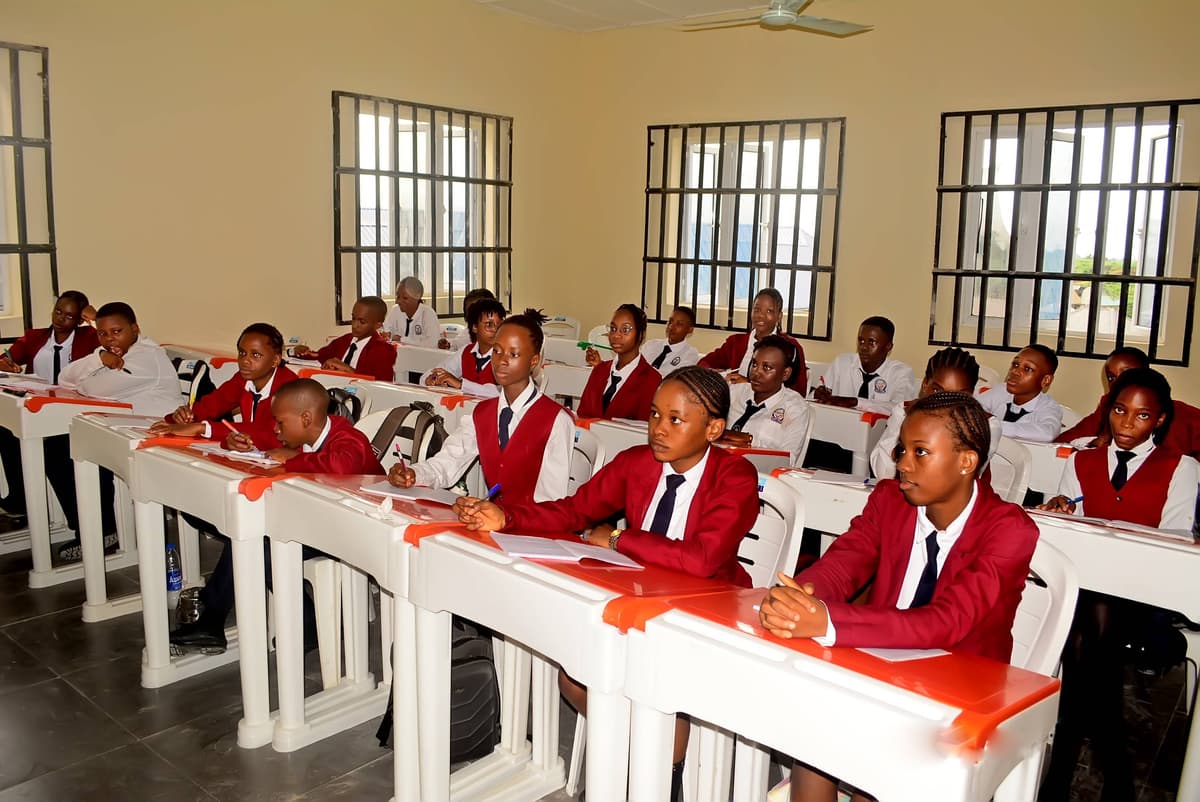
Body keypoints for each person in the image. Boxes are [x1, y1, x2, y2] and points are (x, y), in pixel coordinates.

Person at [456, 365, 760, 801]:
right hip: (637, 598)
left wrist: (621, 538)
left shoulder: (735, 477)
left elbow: (702, 560)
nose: (659, 429)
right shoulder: (637, 463)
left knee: (657, 689)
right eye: (655, 415)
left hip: (706, 608)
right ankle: (636, 758)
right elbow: (575, 510)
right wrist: (510, 516)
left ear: (713, 428)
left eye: (676, 420)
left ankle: (658, 777)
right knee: (575, 677)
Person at [759, 392, 1038, 802]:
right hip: (884, 666)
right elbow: (845, 562)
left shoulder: (1010, 529)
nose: (903, 463)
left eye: (920, 452)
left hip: (961, 691)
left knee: (876, 767)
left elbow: (946, 621)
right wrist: (801, 596)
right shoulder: (891, 500)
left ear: (967, 461)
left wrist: (828, 621)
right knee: (812, 729)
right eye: (902, 450)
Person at [1037, 367, 1198, 801]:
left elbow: (1178, 536)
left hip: (1147, 595)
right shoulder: (1082, 459)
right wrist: (1062, 511)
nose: (1127, 424)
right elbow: (1072, 522)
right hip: (1090, 589)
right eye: (1120, 411)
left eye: (1142, 416)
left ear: (1160, 419)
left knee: (1087, 634)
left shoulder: (1181, 468)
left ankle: (1065, 759)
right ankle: (1116, 772)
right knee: (1090, 626)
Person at [171, 379, 384, 652]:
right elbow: (259, 434)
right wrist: (232, 440)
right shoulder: (301, 432)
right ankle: (300, 625)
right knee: (248, 532)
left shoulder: (347, 436)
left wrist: (291, 461)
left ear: (306, 418)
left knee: (260, 546)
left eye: (280, 423)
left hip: (355, 529)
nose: (275, 428)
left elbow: (341, 465)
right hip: (321, 521)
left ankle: (300, 625)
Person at [389, 309, 573, 506]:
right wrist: (413, 474)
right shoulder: (483, 413)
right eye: (497, 350)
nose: (502, 360)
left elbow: (553, 501)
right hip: (491, 521)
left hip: (533, 528)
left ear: (533, 361)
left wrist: (505, 518)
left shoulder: (555, 420)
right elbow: (449, 462)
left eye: (514, 354)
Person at [54, 302, 181, 561]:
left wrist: (95, 371)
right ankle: (95, 529)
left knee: (68, 451)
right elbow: (64, 377)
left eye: (117, 331)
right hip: (124, 428)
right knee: (59, 448)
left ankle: (103, 530)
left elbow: (93, 389)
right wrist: (99, 357)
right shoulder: (111, 352)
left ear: (135, 329)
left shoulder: (147, 357)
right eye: (103, 334)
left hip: (152, 435)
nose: (110, 338)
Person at [0, 290, 100, 529]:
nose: (60, 319)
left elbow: (116, 341)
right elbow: (7, 357)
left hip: (73, 408)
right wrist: (6, 362)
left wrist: (95, 318)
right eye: (57, 311)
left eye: (68, 316)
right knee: (5, 432)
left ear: (79, 320)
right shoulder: (36, 337)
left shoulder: (89, 337)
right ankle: (20, 499)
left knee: (51, 449)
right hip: (38, 405)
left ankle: (80, 524)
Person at [149, 323, 298, 448]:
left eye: (256, 355)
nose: (245, 361)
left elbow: (272, 434)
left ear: (275, 360)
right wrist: (181, 417)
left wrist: (203, 428)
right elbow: (212, 404)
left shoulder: (290, 388)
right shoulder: (242, 378)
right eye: (242, 353)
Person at [870, 347, 1001, 479]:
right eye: (938, 391)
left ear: (972, 395)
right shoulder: (905, 410)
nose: (945, 403)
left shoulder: (986, 424)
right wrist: (909, 421)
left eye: (959, 395)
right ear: (925, 384)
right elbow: (884, 473)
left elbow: (960, 479)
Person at [1056, 345, 1200, 457]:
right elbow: (1062, 443)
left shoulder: (1183, 416)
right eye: (1111, 378)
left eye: (1127, 375)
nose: (1119, 383)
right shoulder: (1108, 407)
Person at [718, 335, 811, 466]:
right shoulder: (734, 392)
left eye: (767, 368)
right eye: (754, 364)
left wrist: (749, 442)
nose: (756, 372)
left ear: (785, 374)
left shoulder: (794, 407)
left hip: (758, 475)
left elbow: (787, 460)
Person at [699, 288, 808, 392]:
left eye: (769, 311)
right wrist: (713, 373)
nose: (761, 315)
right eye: (757, 309)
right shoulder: (736, 342)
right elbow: (704, 363)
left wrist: (748, 384)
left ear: (779, 316)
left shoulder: (790, 347)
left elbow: (798, 391)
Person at [577, 303, 661, 421]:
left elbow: (644, 429)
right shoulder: (600, 371)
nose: (616, 335)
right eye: (613, 329)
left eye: (625, 329)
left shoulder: (651, 379)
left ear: (641, 335)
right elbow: (582, 414)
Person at [812, 316, 916, 407]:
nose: (864, 347)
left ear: (888, 347)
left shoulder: (901, 373)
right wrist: (817, 395)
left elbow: (899, 409)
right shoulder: (842, 363)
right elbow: (813, 402)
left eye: (872, 343)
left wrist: (856, 402)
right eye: (861, 341)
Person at [293, 296, 394, 382]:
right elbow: (320, 356)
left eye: (362, 322)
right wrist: (297, 351)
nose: (355, 325)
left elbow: (381, 384)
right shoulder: (345, 340)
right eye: (353, 318)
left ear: (377, 324)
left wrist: (348, 370)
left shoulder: (383, 350)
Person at [974, 344, 1062, 442]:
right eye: (1015, 365)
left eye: (1027, 369)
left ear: (1046, 380)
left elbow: (1047, 433)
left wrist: (993, 425)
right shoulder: (1001, 390)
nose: (1015, 371)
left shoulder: (1048, 407)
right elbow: (971, 408)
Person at [422, 298, 507, 398]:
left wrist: (461, 384)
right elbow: (433, 372)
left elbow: (504, 392)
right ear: (475, 327)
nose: (495, 330)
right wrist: (431, 379)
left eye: (499, 325)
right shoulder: (466, 351)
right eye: (489, 325)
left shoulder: (507, 354)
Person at [641, 305, 700, 375]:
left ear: (690, 330)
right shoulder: (651, 345)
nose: (671, 326)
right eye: (670, 321)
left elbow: (672, 378)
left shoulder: (690, 354)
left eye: (679, 324)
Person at [382, 276, 440, 348]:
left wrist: (402, 340)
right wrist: (386, 335)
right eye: (398, 297)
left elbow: (433, 343)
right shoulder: (395, 310)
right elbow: (386, 333)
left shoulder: (427, 313)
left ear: (416, 298)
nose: (398, 301)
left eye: (405, 298)